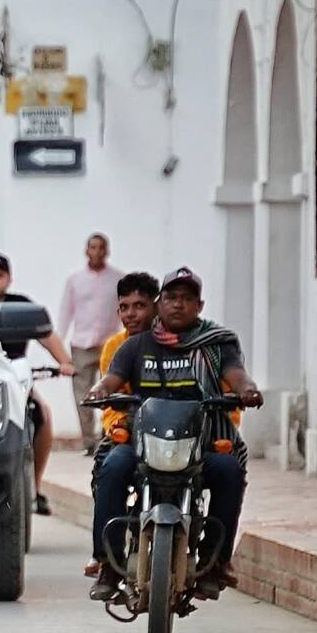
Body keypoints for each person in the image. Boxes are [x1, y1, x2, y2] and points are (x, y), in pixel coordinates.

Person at [85, 267, 263, 602]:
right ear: (160, 303)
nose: (178, 305)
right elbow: (111, 379)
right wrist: (98, 391)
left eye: (186, 299)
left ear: (199, 305)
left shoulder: (217, 344)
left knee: (229, 470)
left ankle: (216, 561)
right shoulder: (136, 345)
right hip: (143, 445)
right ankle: (108, 562)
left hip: (201, 443)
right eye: (171, 298)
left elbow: (237, 375)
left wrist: (248, 389)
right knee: (110, 468)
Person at [0, 251, 75, 516]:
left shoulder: (21, 306)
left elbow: (46, 335)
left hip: (18, 377)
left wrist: (65, 362)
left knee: (43, 413)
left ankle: (36, 487)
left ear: (8, 279)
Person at [81, 271, 160, 578]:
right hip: (131, 434)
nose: (131, 313)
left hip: (174, 437)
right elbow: (111, 401)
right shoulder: (115, 346)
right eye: (124, 307)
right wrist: (122, 429)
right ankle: (106, 558)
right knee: (109, 468)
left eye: (139, 306)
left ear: (156, 306)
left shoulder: (176, 342)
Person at [57, 233, 122, 454]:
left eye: (101, 247)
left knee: (111, 393)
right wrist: (59, 346)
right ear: (86, 250)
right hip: (81, 344)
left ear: (107, 251)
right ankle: (89, 441)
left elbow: (124, 310)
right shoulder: (75, 279)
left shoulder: (117, 279)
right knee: (82, 396)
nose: (96, 252)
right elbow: (66, 311)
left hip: (108, 344)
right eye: (92, 247)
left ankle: (108, 436)